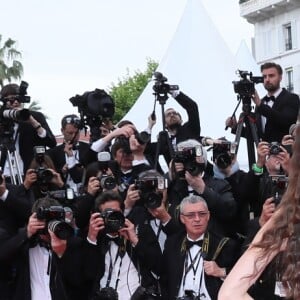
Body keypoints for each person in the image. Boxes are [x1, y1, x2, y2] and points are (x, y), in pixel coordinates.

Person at [218, 123, 300, 300]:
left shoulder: (291, 181)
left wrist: (291, 173)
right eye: (272, 153)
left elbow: (229, 294)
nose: (277, 157)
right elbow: (243, 194)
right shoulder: (259, 178)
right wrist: (259, 163)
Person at [83, 190, 162, 300]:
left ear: (123, 212)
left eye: (116, 212)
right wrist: (91, 239)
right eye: (108, 213)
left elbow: (158, 266)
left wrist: (135, 240)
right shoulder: (94, 239)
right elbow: (86, 276)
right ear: (99, 216)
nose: (113, 217)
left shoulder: (138, 231)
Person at [160, 195, 239, 300]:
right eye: (190, 215)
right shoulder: (172, 243)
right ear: (182, 218)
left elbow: (243, 278)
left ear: (208, 216)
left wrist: (221, 272)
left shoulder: (225, 245)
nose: (197, 219)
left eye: (202, 214)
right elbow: (164, 279)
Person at [226, 62, 299, 143]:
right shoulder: (260, 103)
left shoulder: (292, 98)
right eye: (264, 76)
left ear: (280, 77)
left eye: (271, 76)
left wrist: (260, 105)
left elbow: (286, 121)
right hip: (264, 155)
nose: (267, 79)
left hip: (285, 154)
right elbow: (256, 135)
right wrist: (235, 127)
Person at [0, 83, 56, 179]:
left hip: (29, 173)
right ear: (4, 101)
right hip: (5, 175)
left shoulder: (35, 116)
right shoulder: (2, 118)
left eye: (19, 99)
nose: (16, 102)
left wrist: (33, 122)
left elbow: (51, 142)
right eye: (12, 99)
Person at [47, 114, 96, 195]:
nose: (73, 136)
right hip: (62, 194)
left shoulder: (88, 149)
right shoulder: (53, 152)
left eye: (76, 133)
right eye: (70, 133)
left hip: (86, 193)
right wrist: (62, 171)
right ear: (62, 131)